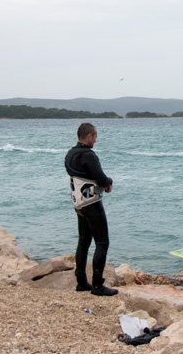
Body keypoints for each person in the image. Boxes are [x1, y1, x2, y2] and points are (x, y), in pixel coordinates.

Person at [65, 122, 118, 296]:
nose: (96, 139)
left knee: (83, 241)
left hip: (78, 203)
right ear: (89, 137)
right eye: (95, 136)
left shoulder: (70, 154)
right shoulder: (88, 155)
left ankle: (81, 282)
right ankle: (97, 285)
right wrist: (108, 182)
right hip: (91, 203)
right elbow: (100, 176)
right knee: (102, 243)